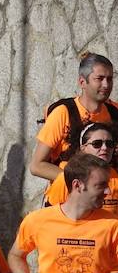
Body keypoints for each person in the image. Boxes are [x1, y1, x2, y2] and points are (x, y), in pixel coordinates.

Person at [30, 52, 116, 187]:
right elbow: (36, 166)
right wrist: (80, 182)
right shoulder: (63, 113)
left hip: (108, 199)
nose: (106, 85)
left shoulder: (115, 112)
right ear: (82, 82)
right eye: (99, 79)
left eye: (110, 79)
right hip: (70, 200)